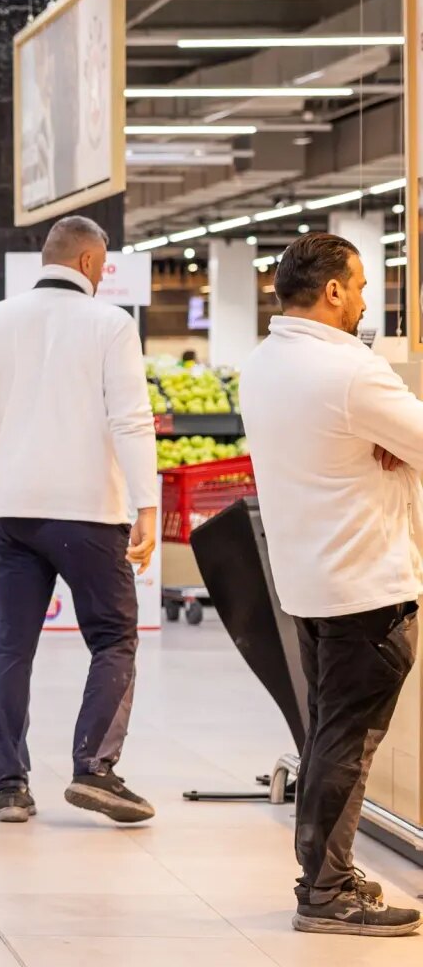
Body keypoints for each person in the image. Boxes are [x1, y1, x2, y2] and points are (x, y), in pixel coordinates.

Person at [0, 215, 159, 826]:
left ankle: (10, 785)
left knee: (12, 648)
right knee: (113, 639)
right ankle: (94, 767)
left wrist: (14, 401)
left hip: (13, 510)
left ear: (48, 258)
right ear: (93, 263)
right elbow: (131, 420)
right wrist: (148, 504)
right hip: (89, 512)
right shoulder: (110, 324)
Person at [239, 231, 422, 938]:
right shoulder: (351, 373)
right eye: (364, 285)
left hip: (311, 581)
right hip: (367, 588)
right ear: (335, 290)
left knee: (328, 735)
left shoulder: (264, 365)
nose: (367, 299)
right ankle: (325, 889)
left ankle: (326, 876)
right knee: (348, 741)